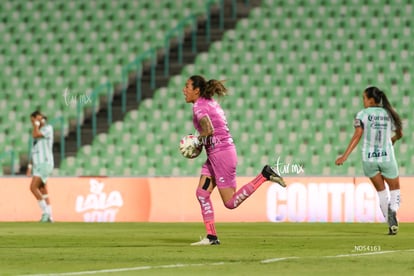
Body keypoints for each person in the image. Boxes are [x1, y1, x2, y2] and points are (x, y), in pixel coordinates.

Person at [183, 75, 286, 246]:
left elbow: (208, 130)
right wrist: (200, 145)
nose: (184, 90)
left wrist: (195, 142)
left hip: (221, 155)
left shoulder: (199, 107)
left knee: (230, 203)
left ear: (197, 90)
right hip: (217, 154)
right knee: (202, 194)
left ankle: (264, 175)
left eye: (187, 86)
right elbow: (212, 132)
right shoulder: (209, 103)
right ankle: (211, 237)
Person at [335, 87, 403, 235]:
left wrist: (345, 156)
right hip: (387, 157)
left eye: (364, 98)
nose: (363, 101)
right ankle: (393, 211)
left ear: (370, 100)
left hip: (369, 158)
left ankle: (391, 224)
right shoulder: (389, 113)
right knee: (395, 191)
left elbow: (358, 134)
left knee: (381, 193)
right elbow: (399, 133)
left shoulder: (362, 114)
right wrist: (394, 139)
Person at [26, 111, 54, 222]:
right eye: (33, 120)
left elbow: (35, 135)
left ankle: (46, 213)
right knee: (43, 190)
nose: (34, 122)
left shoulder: (48, 129)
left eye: (35, 120)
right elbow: (34, 151)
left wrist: (37, 125)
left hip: (45, 163)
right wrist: (29, 166)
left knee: (33, 187)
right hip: (38, 165)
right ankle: (50, 216)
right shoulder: (37, 131)